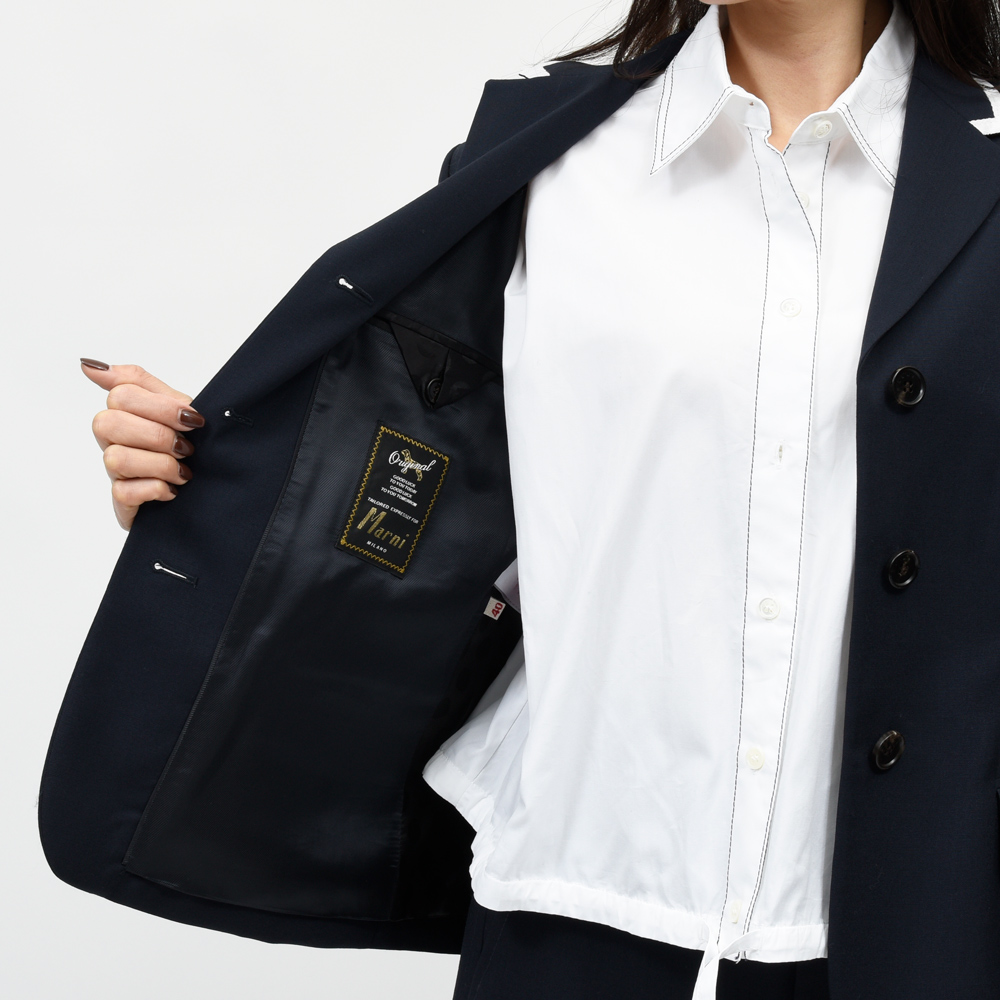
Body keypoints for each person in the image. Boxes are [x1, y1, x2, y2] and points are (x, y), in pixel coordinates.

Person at [53, 2, 1000, 999]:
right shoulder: (548, 154)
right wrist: (211, 482)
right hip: (567, 910)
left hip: (910, 923)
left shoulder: (982, 172)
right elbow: (426, 481)